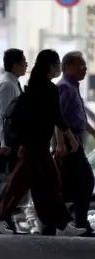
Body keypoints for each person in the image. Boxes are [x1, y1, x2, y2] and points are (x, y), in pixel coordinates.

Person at [0, 49, 86, 237]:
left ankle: (60, 224)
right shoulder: (48, 89)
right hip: (35, 148)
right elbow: (57, 116)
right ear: (49, 66)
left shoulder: (35, 87)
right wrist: (70, 138)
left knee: (46, 185)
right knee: (24, 185)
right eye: (56, 65)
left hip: (33, 146)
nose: (58, 68)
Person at [55, 51, 95, 236]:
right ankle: (77, 223)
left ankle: (73, 222)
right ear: (68, 66)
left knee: (80, 183)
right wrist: (61, 144)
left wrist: (93, 133)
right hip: (70, 143)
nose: (85, 69)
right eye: (81, 65)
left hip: (75, 141)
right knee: (83, 182)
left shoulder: (73, 87)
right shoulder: (64, 87)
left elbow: (80, 118)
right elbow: (58, 117)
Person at [0, 48, 27, 173]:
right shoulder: (7, 85)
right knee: (4, 180)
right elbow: (3, 116)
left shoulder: (12, 82)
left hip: (10, 138)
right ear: (15, 65)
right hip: (5, 140)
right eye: (24, 61)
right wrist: (3, 143)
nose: (26, 64)